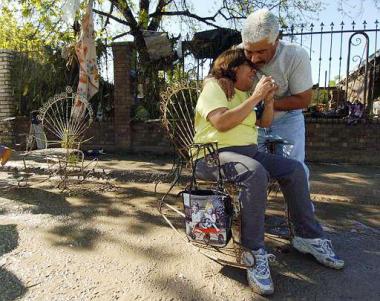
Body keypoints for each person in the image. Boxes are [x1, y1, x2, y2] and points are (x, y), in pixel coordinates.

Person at [193, 48, 344, 296]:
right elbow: (221, 122)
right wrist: (256, 97)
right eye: (248, 68)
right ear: (232, 69)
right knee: (255, 172)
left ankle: (307, 236)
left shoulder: (242, 94)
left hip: (248, 152)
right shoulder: (215, 88)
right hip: (212, 156)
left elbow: (264, 122)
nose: (254, 71)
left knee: (294, 169)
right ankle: (252, 252)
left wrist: (269, 100)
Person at [241, 8, 313, 179]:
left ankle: (299, 206)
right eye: (249, 51)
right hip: (252, 120)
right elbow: (215, 78)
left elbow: (304, 99)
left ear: (276, 40)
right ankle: (252, 206)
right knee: (249, 171)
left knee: (295, 169)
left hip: (288, 118)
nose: (253, 59)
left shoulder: (295, 55)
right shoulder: (236, 53)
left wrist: (267, 102)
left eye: (261, 52)